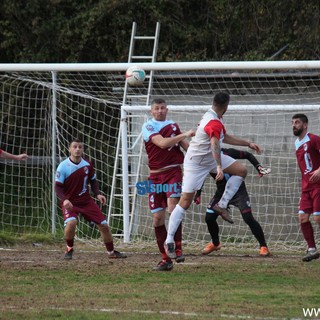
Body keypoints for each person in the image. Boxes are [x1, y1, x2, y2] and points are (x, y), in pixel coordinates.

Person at [164, 92, 263, 259]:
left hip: (209, 158)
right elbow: (215, 144)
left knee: (241, 171)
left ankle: (222, 205)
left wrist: (248, 143)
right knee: (185, 201)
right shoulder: (213, 121)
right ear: (227, 106)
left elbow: (224, 138)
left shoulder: (214, 116)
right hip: (195, 162)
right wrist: (218, 167)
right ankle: (169, 240)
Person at [141, 98, 195, 271]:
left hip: (173, 173)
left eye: (162, 108)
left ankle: (177, 247)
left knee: (173, 208)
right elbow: (163, 143)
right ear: (151, 111)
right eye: (156, 108)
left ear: (167, 109)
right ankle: (165, 259)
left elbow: (187, 148)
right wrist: (185, 134)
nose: (159, 111)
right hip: (155, 177)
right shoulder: (148, 126)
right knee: (157, 219)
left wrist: (200, 157)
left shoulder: (173, 126)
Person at [55, 139, 127, 260]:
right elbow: (57, 186)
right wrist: (65, 200)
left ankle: (111, 252)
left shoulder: (88, 164)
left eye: (80, 147)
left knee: (104, 225)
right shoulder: (63, 166)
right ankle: (69, 249)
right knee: (71, 223)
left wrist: (98, 194)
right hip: (70, 203)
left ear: (83, 149)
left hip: (86, 201)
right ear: (70, 149)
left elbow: (93, 180)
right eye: (74, 147)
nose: (77, 149)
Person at [194, 148, 271, 256]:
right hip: (221, 192)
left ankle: (263, 246)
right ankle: (215, 243)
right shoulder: (207, 158)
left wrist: (258, 167)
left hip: (239, 191)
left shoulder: (227, 153)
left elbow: (248, 155)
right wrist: (198, 193)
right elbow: (201, 175)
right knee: (209, 218)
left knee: (248, 218)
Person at [292, 113, 320, 262]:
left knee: (318, 218)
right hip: (306, 187)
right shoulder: (297, 143)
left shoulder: (314, 139)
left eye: (297, 122)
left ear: (305, 125)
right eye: (293, 123)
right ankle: (312, 249)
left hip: (318, 186)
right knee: (303, 218)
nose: (294, 125)